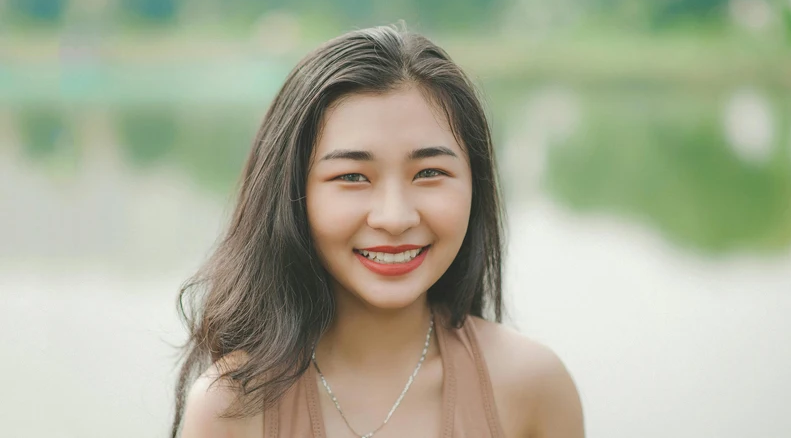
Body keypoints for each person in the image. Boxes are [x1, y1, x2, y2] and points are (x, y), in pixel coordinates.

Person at [171, 24, 584, 438]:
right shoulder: (232, 407)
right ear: (293, 192)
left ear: (476, 184)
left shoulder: (534, 387)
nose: (394, 217)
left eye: (429, 172)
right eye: (352, 176)